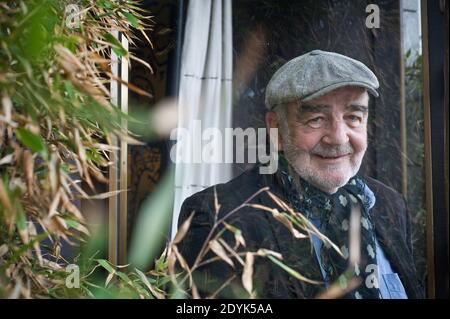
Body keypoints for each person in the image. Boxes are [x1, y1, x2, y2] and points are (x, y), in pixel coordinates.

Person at [176, 50, 425, 299]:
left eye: (353, 117)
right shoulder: (218, 216)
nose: (338, 137)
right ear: (276, 129)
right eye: (316, 119)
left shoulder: (388, 205)